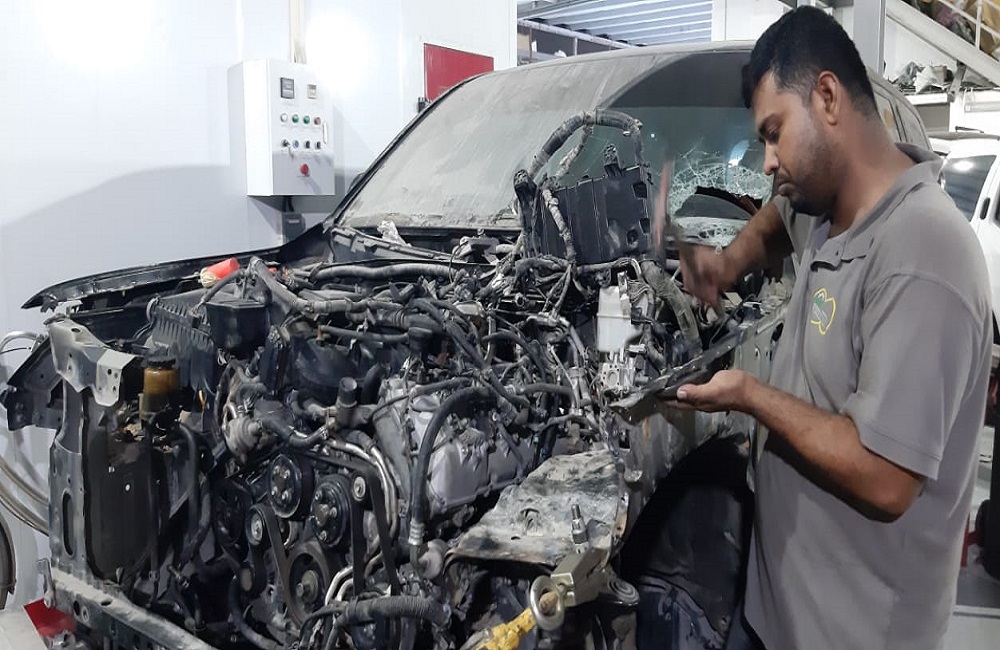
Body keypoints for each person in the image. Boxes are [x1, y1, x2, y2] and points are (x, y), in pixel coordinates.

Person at [672, 7, 993, 650]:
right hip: (776, 607)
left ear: (826, 96)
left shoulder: (922, 253)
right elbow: (776, 218)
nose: (768, 163)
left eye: (774, 133)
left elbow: (886, 477)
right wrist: (728, 263)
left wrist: (749, 395)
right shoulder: (827, 209)